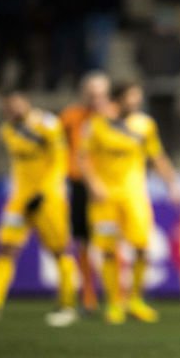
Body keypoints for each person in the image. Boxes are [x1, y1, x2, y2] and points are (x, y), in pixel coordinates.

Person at [0, 91, 78, 328]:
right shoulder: (8, 130)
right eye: (9, 106)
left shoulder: (48, 125)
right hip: (20, 200)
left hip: (48, 198)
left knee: (61, 251)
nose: (13, 110)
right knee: (5, 247)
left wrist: (43, 192)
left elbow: (59, 161)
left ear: (26, 102)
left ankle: (67, 306)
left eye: (17, 104)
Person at [80, 81, 179, 325]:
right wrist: (93, 184)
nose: (136, 102)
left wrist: (172, 185)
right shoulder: (96, 125)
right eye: (132, 97)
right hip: (104, 197)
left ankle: (135, 299)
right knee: (108, 250)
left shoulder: (144, 124)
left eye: (138, 97)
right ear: (119, 99)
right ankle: (115, 303)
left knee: (141, 248)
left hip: (134, 195)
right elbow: (82, 158)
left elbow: (157, 156)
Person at [60, 72, 111, 313]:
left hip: (108, 186)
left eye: (100, 93)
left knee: (111, 241)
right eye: (91, 93)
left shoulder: (115, 119)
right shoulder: (71, 117)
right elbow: (59, 149)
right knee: (83, 240)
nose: (95, 98)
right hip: (79, 185)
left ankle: (118, 297)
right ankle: (88, 294)